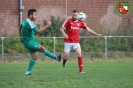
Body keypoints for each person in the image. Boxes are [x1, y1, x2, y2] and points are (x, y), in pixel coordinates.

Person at [19, 9, 61, 75]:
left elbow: (20, 27)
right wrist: (47, 25)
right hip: (29, 42)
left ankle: (28, 72)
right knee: (42, 48)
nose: (36, 16)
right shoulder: (29, 23)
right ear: (30, 15)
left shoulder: (24, 21)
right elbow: (38, 31)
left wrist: (21, 37)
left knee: (34, 57)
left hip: (28, 42)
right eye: (35, 15)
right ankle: (56, 58)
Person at [60, 10, 103, 74]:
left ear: (78, 15)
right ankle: (64, 62)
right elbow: (61, 28)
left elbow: (88, 29)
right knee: (66, 56)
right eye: (73, 15)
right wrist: (64, 34)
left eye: (76, 15)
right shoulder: (68, 21)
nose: (74, 16)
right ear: (72, 15)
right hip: (68, 42)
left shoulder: (80, 22)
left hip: (76, 42)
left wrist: (97, 34)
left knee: (79, 54)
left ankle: (81, 70)